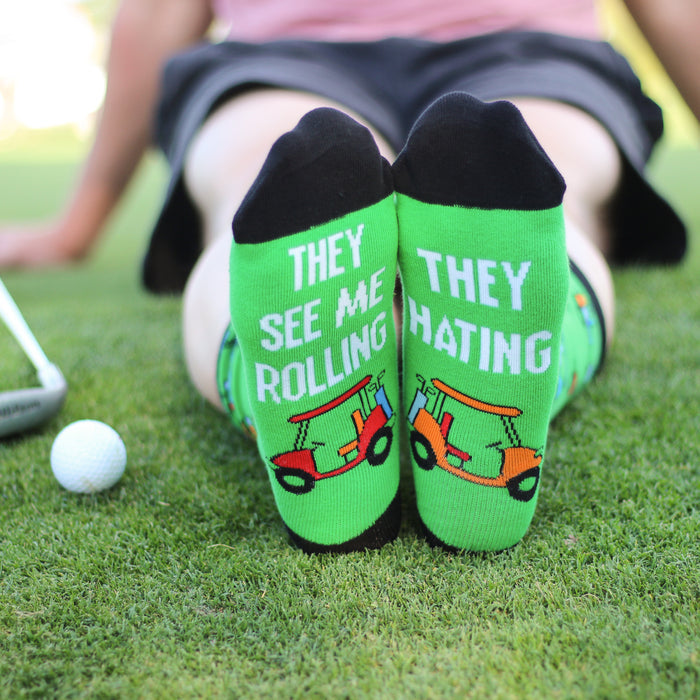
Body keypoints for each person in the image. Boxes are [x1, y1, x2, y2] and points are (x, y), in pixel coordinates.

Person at [1, 0, 696, 553]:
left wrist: (79, 224)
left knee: (276, 197)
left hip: (411, 52)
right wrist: (75, 226)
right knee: (533, 206)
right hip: (464, 50)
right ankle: (514, 386)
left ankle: (280, 390)